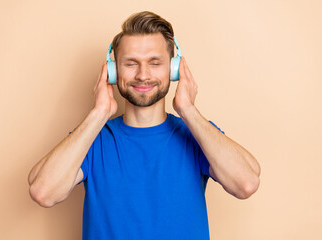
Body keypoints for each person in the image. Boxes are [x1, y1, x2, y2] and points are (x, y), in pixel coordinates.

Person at [28, 11, 261, 240]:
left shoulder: (196, 135)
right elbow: (43, 192)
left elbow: (246, 183)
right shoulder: (93, 138)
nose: (142, 75)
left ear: (173, 69)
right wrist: (99, 113)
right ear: (113, 71)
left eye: (155, 63)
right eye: (131, 63)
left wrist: (188, 109)